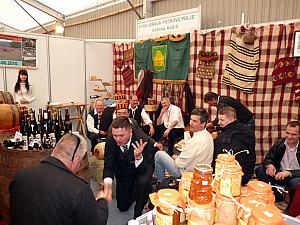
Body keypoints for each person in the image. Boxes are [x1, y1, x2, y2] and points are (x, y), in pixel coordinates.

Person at [9, 133, 108, 225]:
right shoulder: (80, 190)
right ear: (76, 159)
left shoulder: (20, 175)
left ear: (55, 150)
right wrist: (102, 201)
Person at [103, 117, 155, 218]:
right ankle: (139, 189)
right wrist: (107, 186)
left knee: (142, 183)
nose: (117, 139)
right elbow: (108, 165)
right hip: (123, 170)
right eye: (115, 135)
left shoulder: (142, 139)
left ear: (130, 132)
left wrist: (139, 157)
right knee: (122, 207)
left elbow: (146, 167)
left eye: (121, 135)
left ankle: (144, 191)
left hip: (142, 167)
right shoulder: (110, 141)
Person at [154, 108, 214, 181]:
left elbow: (180, 164)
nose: (190, 123)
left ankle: (161, 182)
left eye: (194, 121)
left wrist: (175, 158)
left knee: (159, 154)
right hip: (202, 170)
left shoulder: (194, 141)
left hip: (188, 173)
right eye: (191, 119)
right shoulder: (208, 135)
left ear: (203, 124)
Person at [255, 121, 300, 200]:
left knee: (296, 182)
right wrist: (270, 166)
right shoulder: (279, 143)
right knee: (259, 169)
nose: (289, 137)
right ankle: (276, 194)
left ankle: (291, 203)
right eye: (287, 133)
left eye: (294, 134)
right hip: (279, 174)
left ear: (299, 135)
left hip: (295, 176)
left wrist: (290, 173)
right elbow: (269, 157)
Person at [213, 107, 256, 185]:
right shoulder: (247, 130)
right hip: (248, 174)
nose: (218, 123)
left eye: (222, 120)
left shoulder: (224, 138)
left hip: (232, 178)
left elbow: (216, 159)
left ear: (232, 119)